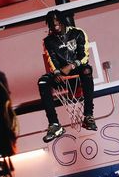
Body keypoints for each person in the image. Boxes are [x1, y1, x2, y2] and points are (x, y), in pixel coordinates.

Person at [38, 9, 97, 143]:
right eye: (51, 22)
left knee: (87, 70)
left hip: (77, 69)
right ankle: (54, 124)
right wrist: (57, 72)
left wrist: (70, 66)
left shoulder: (78, 33)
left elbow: (84, 56)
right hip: (61, 74)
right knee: (42, 82)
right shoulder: (48, 41)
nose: (54, 23)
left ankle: (88, 115)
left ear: (62, 20)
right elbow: (51, 59)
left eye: (56, 20)